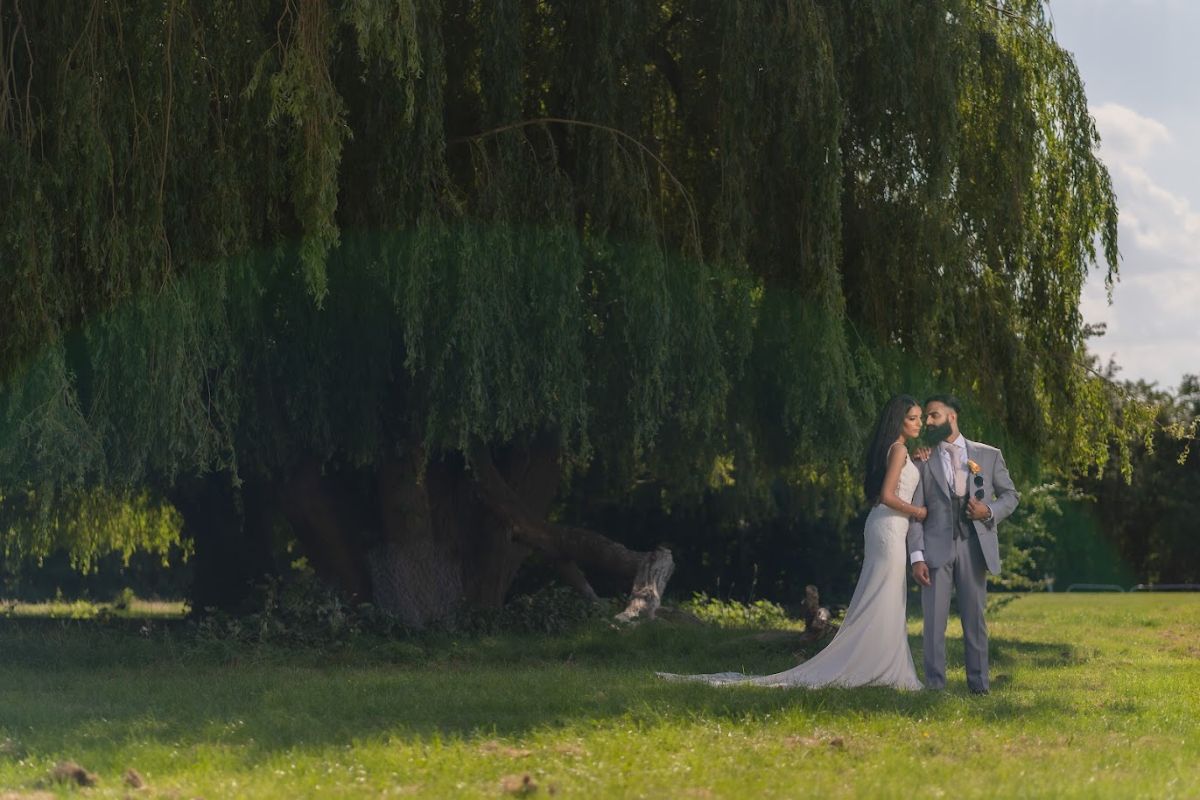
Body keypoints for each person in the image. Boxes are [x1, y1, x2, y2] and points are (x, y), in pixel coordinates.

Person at [657, 395, 926, 689]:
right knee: (883, 595)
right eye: (913, 418)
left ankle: (880, 661)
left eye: (920, 417)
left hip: (884, 527)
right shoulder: (898, 450)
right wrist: (919, 511)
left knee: (884, 596)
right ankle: (878, 665)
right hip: (889, 528)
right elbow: (888, 495)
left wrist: (915, 463)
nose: (919, 423)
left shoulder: (897, 451)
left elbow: (893, 486)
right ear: (898, 420)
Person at [907, 395, 1019, 694]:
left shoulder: (989, 455)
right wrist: (917, 556)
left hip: (974, 545)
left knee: (975, 620)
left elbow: (1011, 495)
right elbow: (915, 511)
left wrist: (989, 511)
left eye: (933, 416)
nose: (927, 422)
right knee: (932, 624)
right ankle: (934, 687)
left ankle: (980, 687)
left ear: (952, 417)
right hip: (934, 548)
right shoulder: (922, 458)